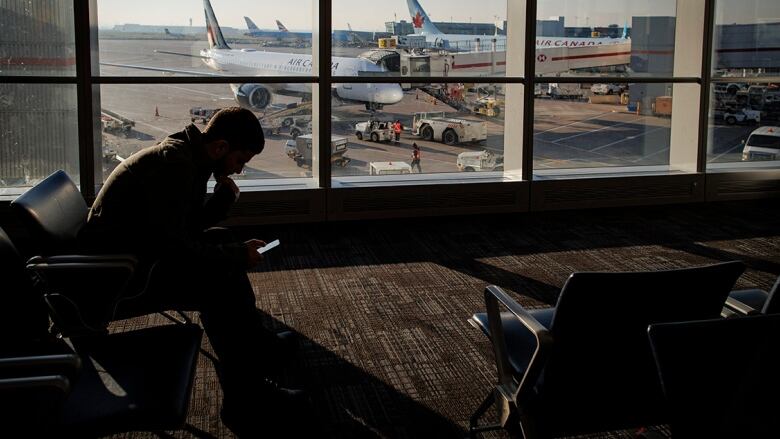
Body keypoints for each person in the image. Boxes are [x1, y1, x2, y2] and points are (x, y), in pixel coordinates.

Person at [78, 107, 305, 436]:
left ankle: (256, 348)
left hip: (139, 256)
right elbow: (177, 246)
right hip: (121, 276)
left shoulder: (187, 158)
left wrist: (221, 206)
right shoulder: (176, 167)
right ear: (221, 148)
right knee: (220, 285)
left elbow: (182, 229)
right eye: (240, 160)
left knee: (223, 244)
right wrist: (236, 255)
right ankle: (246, 400)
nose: (239, 171)